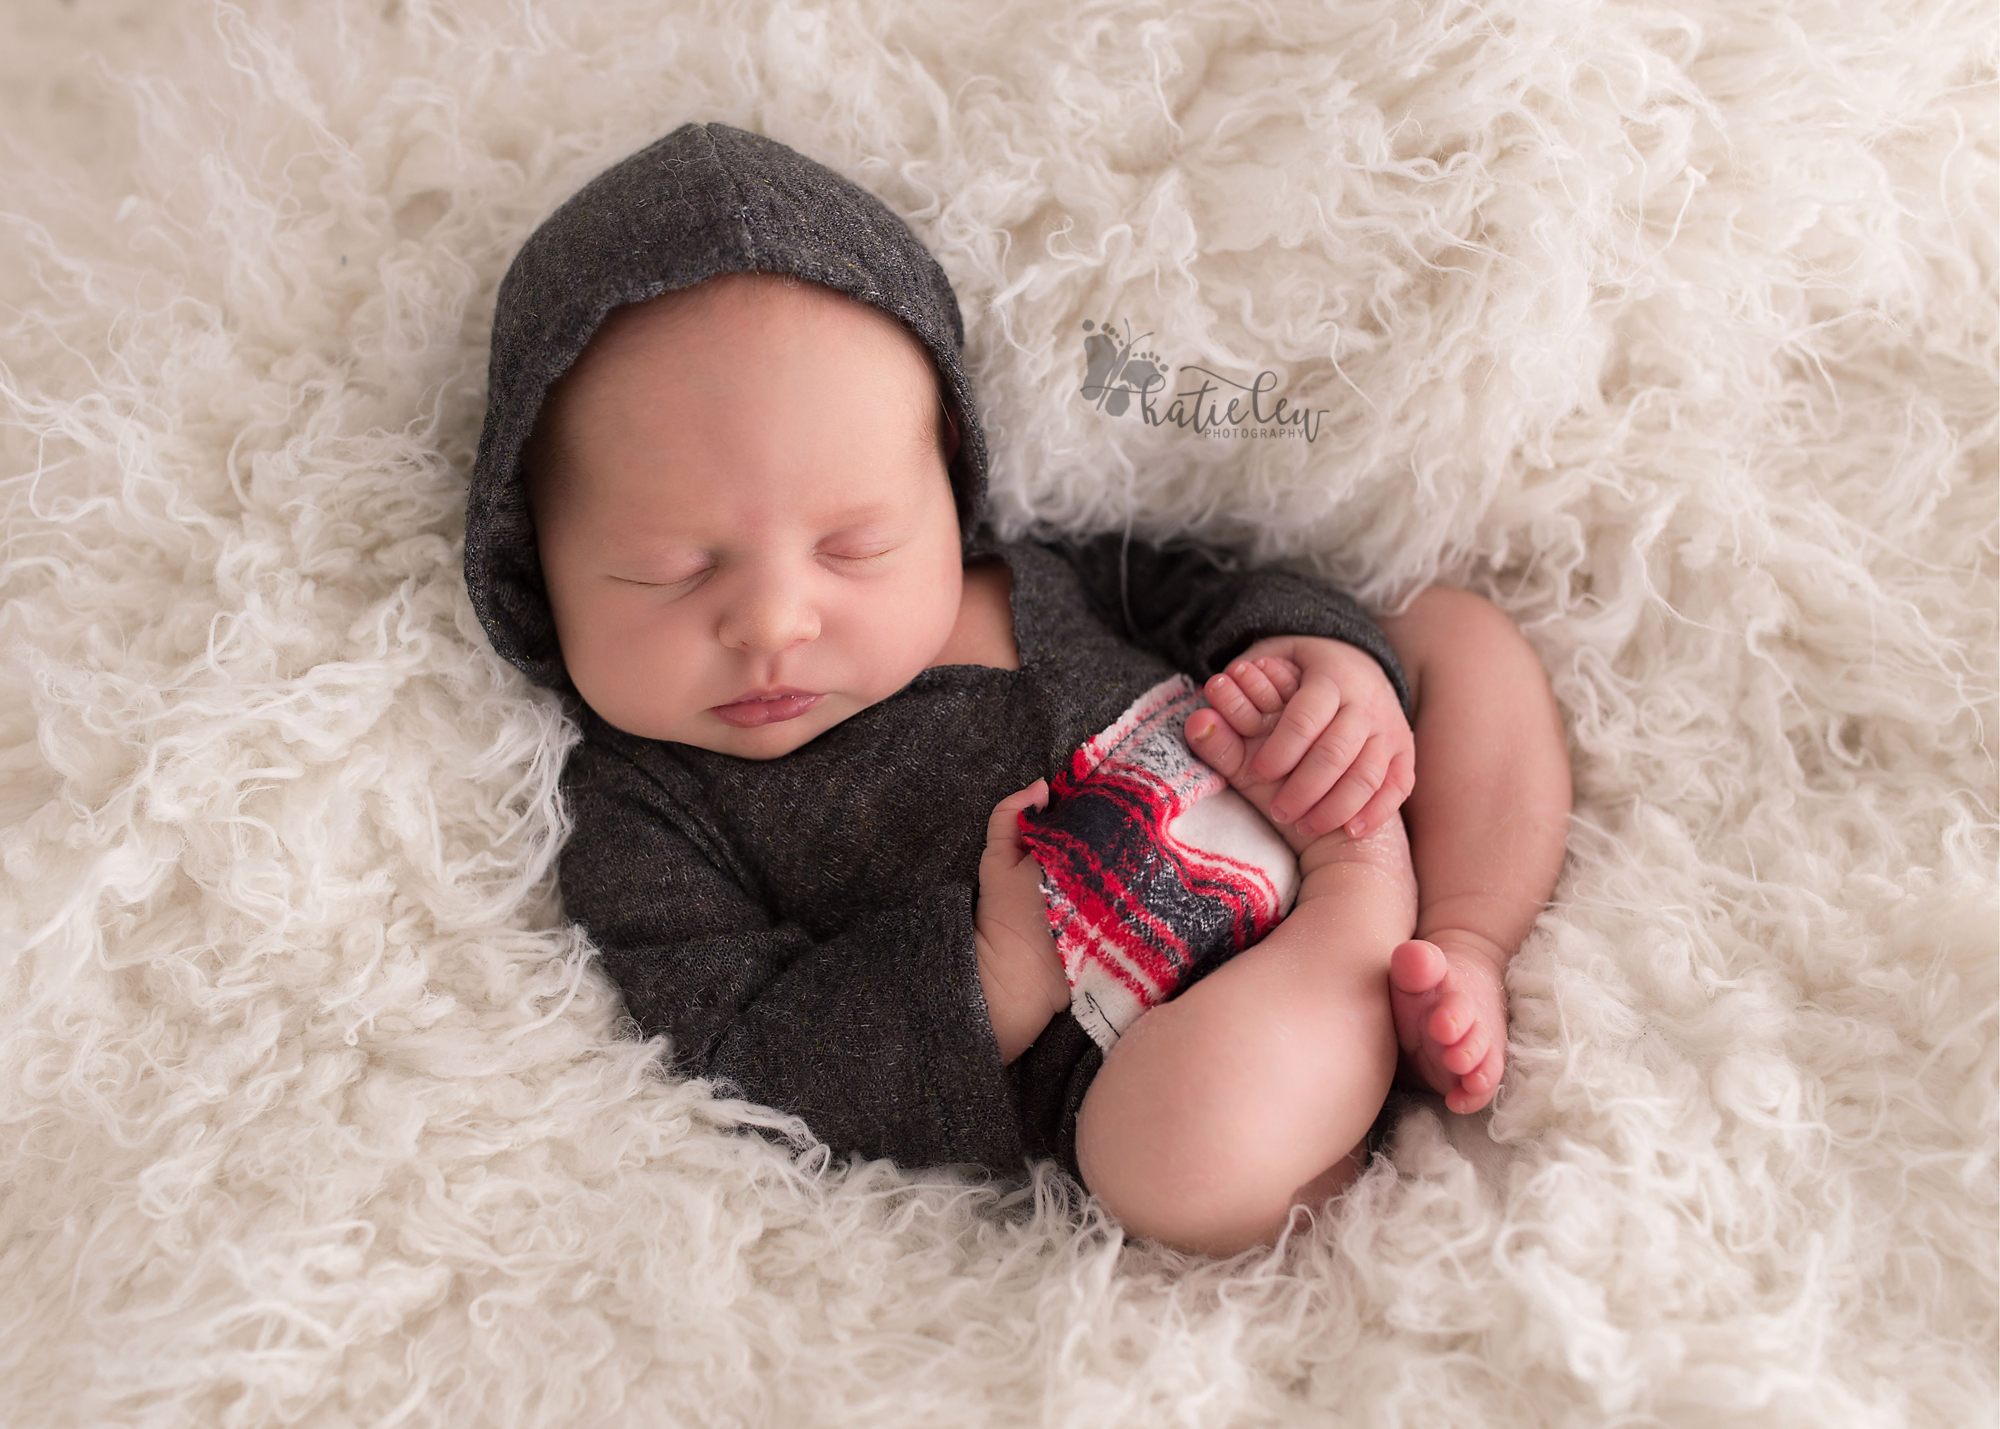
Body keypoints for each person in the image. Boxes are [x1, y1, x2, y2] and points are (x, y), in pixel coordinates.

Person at [463, 123, 1571, 1255]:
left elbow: (1222, 595)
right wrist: (989, 977)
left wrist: (1327, 673)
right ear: (535, 564)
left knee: (1446, 630)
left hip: (1307, 800)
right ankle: (1363, 897)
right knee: (1166, 1156)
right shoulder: (643, 814)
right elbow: (738, 1055)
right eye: (671, 570)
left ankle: (1464, 942)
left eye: (853, 545)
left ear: (946, 488)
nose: (770, 623)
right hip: (1196, 1058)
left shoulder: (1036, 573)